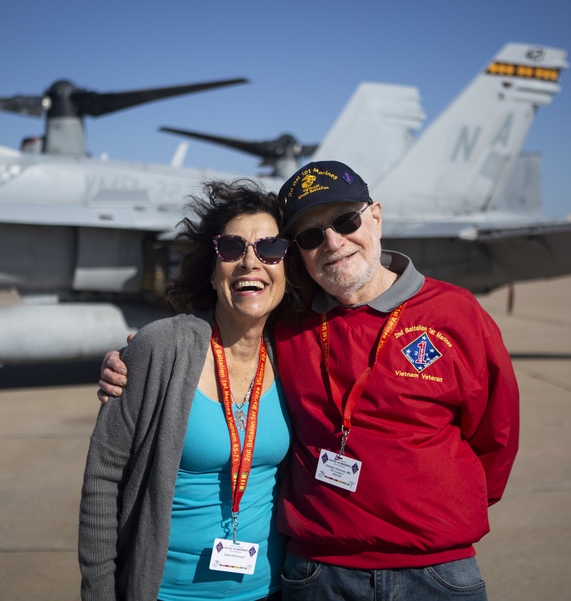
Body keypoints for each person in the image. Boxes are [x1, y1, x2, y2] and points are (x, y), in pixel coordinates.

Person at [98, 161, 520, 601]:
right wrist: (134, 360)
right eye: (311, 236)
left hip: (437, 572)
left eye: (345, 220)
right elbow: (224, 326)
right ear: (298, 250)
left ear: (375, 215)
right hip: (318, 574)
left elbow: (496, 438)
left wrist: (436, 510)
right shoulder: (289, 324)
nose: (334, 242)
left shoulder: (456, 314)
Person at [79, 179, 308, 601]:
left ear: (288, 266)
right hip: (168, 592)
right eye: (232, 249)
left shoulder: (295, 353)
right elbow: (103, 478)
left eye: (270, 248)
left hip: (270, 591)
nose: (250, 263)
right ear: (211, 263)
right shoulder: (160, 348)